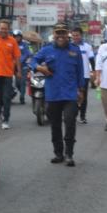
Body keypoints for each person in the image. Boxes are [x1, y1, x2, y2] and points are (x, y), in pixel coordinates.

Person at [32, 24, 85, 166]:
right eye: (58, 33)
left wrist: (81, 90)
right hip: (53, 94)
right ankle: (58, 153)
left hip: (70, 94)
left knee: (69, 122)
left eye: (63, 33)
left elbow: (80, 71)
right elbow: (32, 61)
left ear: (68, 34)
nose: (60, 36)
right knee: (55, 125)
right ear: (54, 34)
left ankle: (69, 154)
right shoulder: (47, 49)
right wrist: (39, 67)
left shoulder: (75, 51)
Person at [0, 19, 21, 130]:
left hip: (7, 74)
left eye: (6, 29)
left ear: (9, 29)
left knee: (6, 98)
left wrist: (19, 72)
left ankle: (6, 120)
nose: (3, 30)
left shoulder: (12, 41)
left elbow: (17, 57)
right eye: (2, 28)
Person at [71, 27, 95, 124]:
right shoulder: (69, 47)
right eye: (73, 35)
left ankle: (82, 116)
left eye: (77, 35)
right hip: (72, 76)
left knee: (83, 97)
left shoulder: (87, 47)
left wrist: (93, 72)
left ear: (81, 35)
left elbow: (92, 60)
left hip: (84, 75)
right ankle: (73, 114)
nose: (75, 37)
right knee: (72, 96)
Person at [13, 29, 33, 105]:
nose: (17, 38)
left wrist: (19, 61)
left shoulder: (25, 44)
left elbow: (27, 54)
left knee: (22, 82)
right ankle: (22, 92)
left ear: (21, 37)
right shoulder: (12, 44)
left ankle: (22, 97)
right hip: (13, 67)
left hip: (23, 66)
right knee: (17, 83)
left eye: (18, 37)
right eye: (15, 37)